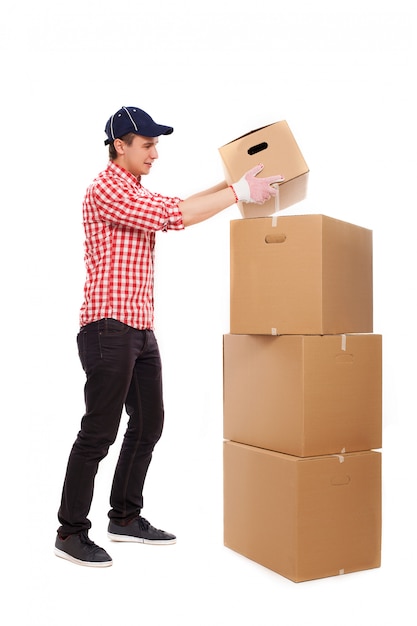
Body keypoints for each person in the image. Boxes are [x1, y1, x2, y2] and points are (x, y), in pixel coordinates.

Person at [54, 105, 284, 567]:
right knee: (98, 432)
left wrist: (232, 185)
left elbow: (175, 203)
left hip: (139, 328)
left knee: (149, 422)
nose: (155, 153)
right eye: (148, 144)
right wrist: (237, 193)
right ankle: (71, 532)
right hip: (107, 327)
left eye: (157, 144)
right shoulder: (106, 189)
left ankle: (123, 517)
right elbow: (172, 214)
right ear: (120, 146)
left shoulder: (133, 189)